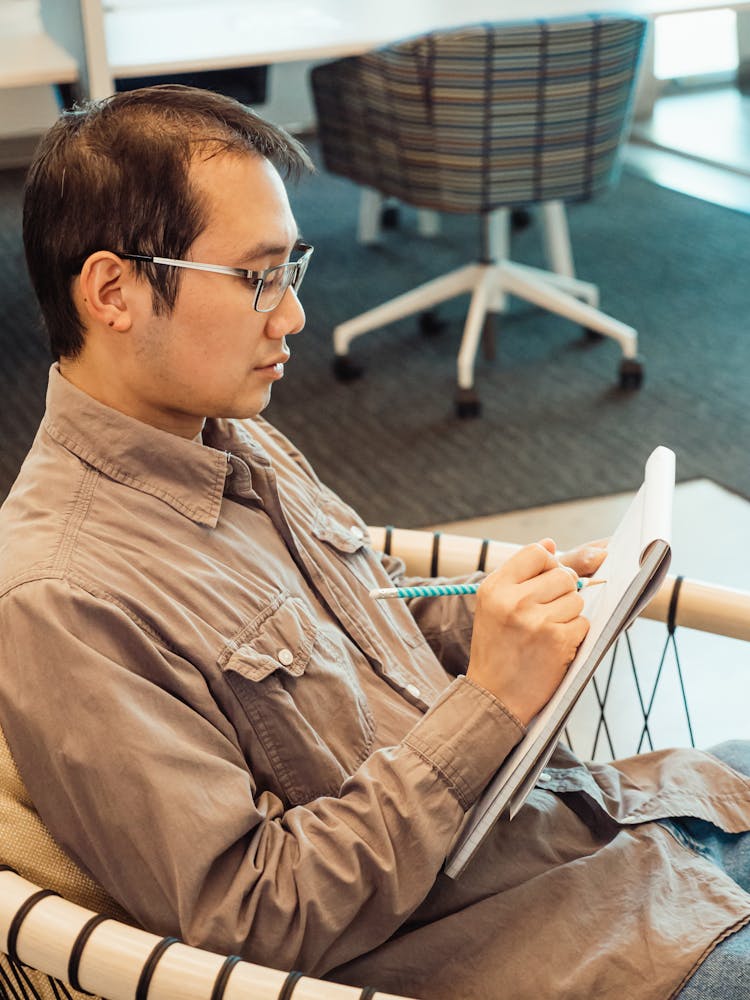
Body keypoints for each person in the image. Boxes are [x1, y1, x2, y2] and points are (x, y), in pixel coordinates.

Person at [0, 85, 749, 1000]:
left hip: (593, 819)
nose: (293, 318)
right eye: (256, 278)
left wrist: (500, 622)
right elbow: (249, 921)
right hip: (545, 944)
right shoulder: (64, 598)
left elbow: (378, 625)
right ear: (113, 291)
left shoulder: (235, 437)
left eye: (293, 271)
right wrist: (492, 703)